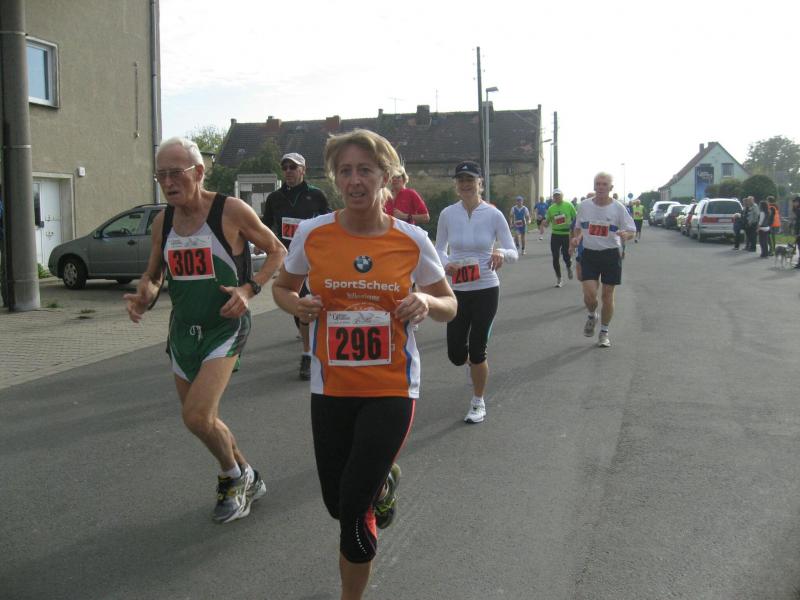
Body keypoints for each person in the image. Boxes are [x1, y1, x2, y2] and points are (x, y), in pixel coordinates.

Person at [272, 129, 456, 600]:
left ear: (385, 177)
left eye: (365, 170)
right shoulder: (313, 233)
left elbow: (449, 304)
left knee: (354, 512)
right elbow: (283, 288)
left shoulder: (411, 240)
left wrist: (424, 301)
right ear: (336, 179)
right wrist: (298, 305)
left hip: (391, 387)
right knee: (337, 503)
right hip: (331, 387)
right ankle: (384, 483)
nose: (355, 180)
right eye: (346, 171)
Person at [124, 137, 287, 523]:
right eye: (161, 175)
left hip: (224, 327)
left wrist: (249, 289)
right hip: (183, 332)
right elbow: (154, 275)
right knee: (204, 419)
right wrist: (145, 295)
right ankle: (249, 476)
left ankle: (232, 478)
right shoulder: (163, 222)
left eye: (175, 173)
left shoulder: (230, 210)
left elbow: (277, 249)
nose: (167, 182)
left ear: (198, 172)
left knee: (197, 416)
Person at [435, 160, 518, 424]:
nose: (465, 184)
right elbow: (438, 249)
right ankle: (471, 364)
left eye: (470, 179)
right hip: (457, 290)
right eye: (461, 180)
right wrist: (446, 264)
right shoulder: (448, 214)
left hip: (486, 288)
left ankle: (478, 402)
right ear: (456, 185)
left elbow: (513, 251)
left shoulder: (493, 214)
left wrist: (501, 252)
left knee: (478, 349)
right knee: (456, 355)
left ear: (480, 183)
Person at [262, 152, 331, 380]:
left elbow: (329, 222)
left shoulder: (316, 195)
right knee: (299, 304)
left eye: (293, 167)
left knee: (308, 302)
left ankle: (308, 353)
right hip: (289, 258)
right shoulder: (275, 198)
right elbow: (265, 225)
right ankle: (308, 346)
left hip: (314, 256)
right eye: (285, 168)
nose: (288, 171)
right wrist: (263, 243)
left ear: (303, 170)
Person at [570, 172, 636, 348]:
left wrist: (626, 235)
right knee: (590, 295)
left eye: (604, 184)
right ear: (594, 186)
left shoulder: (618, 208)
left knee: (607, 295)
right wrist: (577, 238)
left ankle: (604, 332)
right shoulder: (584, 206)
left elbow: (632, 230)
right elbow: (578, 228)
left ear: (610, 188)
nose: (600, 187)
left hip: (610, 254)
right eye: (598, 184)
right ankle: (592, 315)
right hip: (590, 254)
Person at [543, 188, 577, 287]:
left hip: (566, 235)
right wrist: (544, 223)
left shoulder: (568, 205)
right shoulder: (551, 208)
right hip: (555, 235)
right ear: (553, 197)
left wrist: (573, 230)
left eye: (558, 195)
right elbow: (547, 223)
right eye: (555, 196)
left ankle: (569, 266)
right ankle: (559, 278)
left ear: (562, 196)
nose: (557, 197)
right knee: (555, 257)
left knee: (566, 256)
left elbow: (576, 218)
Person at [792, 196, 800, 268]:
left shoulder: (798, 210)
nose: (793, 203)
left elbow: (798, 222)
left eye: (795, 202)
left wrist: (797, 233)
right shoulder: (797, 210)